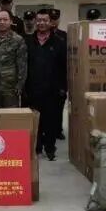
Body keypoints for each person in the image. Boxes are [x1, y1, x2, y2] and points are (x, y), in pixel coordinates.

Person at [25, 9, 67, 160]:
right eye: (39, 20)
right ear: (35, 22)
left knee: (51, 120)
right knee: (35, 121)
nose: (41, 23)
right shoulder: (28, 41)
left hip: (53, 90)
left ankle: (50, 148)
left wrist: (63, 88)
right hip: (33, 89)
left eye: (45, 20)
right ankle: (36, 148)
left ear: (51, 22)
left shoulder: (59, 42)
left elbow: (64, 67)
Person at [0, 10, 27, 108]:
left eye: (5, 19)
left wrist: (20, 85)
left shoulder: (18, 40)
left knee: (10, 116)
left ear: (11, 21)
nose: (2, 22)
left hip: (11, 88)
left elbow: (22, 64)